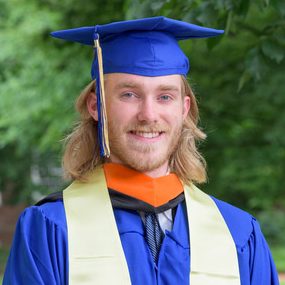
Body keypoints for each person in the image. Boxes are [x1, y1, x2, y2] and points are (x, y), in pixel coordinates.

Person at [3, 16, 279, 285]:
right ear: (96, 106)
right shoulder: (52, 229)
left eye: (164, 96)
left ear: (183, 110)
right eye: (129, 94)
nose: (148, 115)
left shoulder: (238, 235)